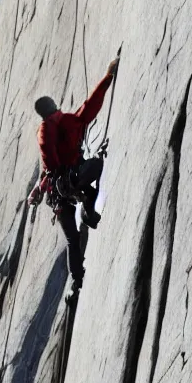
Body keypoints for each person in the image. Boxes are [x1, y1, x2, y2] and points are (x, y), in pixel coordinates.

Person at [28, 55, 119, 293]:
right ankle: (89, 208)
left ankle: (76, 281)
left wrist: (37, 191)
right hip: (69, 182)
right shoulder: (61, 124)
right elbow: (90, 107)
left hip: (58, 195)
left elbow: (47, 165)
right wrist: (108, 77)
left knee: (72, 238)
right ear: (54, 107)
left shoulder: (50, 128)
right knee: (96, 167)